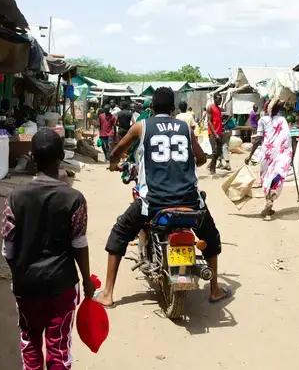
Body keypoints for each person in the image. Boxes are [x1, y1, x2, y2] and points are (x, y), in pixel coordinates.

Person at [95, 87, 231, 307]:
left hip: (154, 203)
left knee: (119, 233)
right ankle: (214, 289)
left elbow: (117, 150)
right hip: (190, 202)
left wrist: (113, 165)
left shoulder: (142, 126)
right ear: (172, 109)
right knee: (212, 238)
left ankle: (108, 294)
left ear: (150, 108)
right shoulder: (185, 127)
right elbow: (201, 159)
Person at [2, 129, 94, 370]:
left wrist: (20, 275)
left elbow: (7, 249)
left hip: (26, 287)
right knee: (59, 347)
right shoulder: (75, 198)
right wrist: (86, 280)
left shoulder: (14, 197)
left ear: (32, 158)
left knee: (30, 341)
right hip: (61, 287)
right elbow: (79, 244)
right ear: (61, 157)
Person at [245, 99, 293, 221]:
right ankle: (271, 198)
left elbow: (257, 139)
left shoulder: (263, 120)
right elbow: (288, 138)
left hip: (266, 153)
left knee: (266, 177)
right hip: (280, 153)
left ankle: (268, 202)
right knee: (277, 174)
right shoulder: (283, 120)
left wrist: (250, 156)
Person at [206, 93, 224, 175]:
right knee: (215, 150)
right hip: (213, 133)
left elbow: (219, 122)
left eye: (221, 99)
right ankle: (212, 170)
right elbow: (209, 121)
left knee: (219, 151)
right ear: (214, 99)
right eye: (219, 99)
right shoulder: (210, 107)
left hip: (219, 132)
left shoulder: (219, 109)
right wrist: (215, 134)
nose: (220, 100)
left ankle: (211, 165)